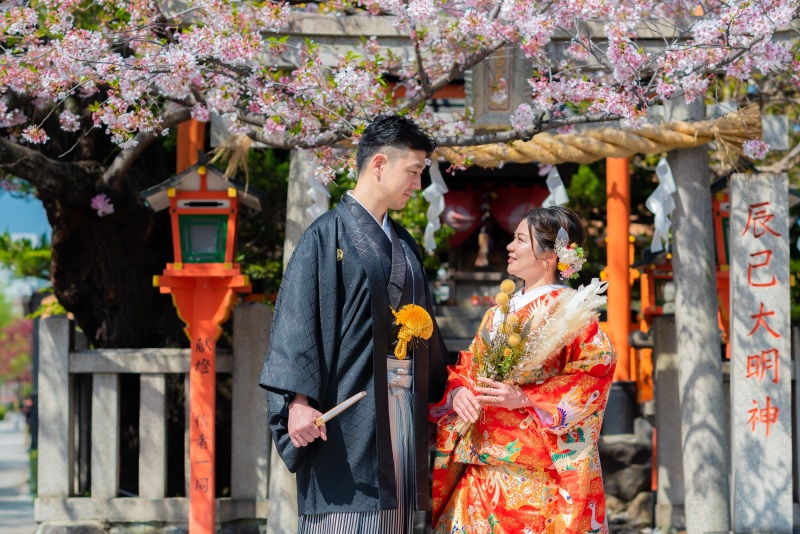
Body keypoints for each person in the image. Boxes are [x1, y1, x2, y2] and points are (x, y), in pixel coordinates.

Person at [259, 114, 449, 534]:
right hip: (347, 413)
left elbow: (426, 330)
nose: (417, 184)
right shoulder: (326, 235)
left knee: (394, 518)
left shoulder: (404, 243)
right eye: (413, 171)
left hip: (401, 408)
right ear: (379, 164)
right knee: (346, 517)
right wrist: (297, 402)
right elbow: (297, 321)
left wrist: (447, 390)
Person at [430, 206, 616, 534]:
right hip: (480, 464)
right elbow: (466, 368)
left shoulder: (571, 314)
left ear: (548, 256)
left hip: (535, 473)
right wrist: (459, 391)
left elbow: (593, 374)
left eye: (519, 239)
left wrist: (525, 397)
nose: (509, 247)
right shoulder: (496, 314)